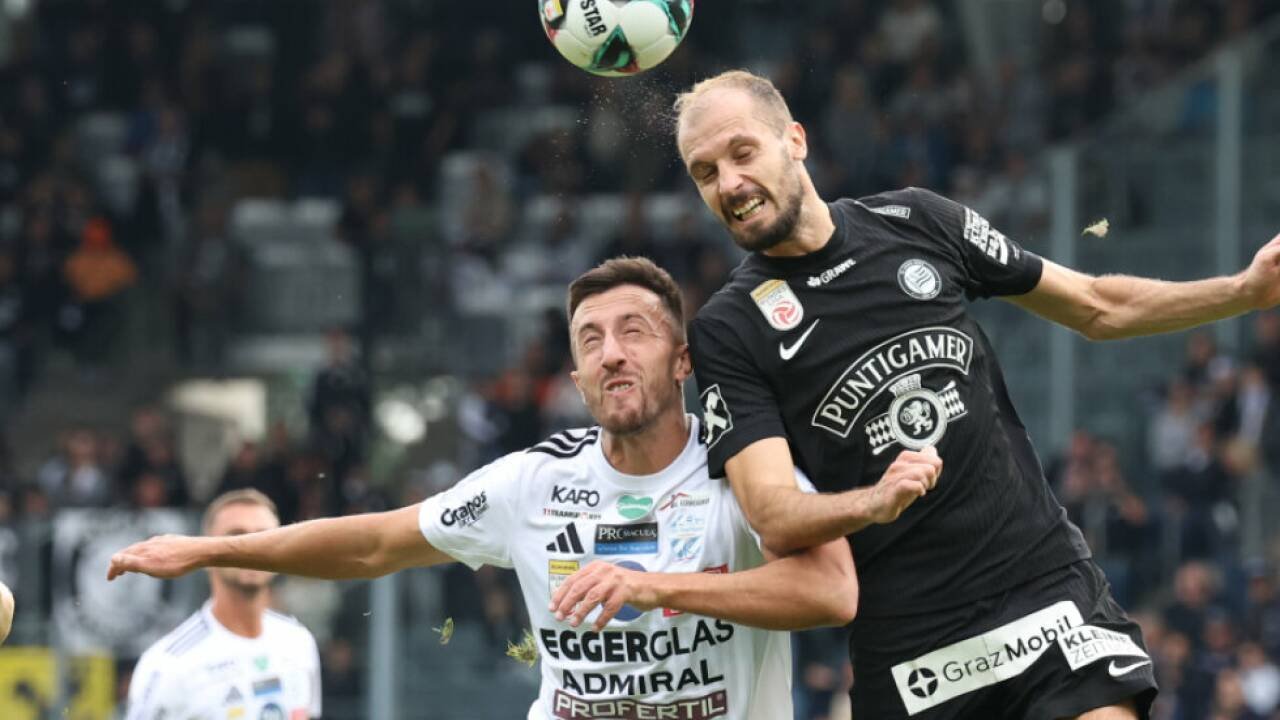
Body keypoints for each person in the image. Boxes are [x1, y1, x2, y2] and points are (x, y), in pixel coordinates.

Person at [674, 69, 1280, 720]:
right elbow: (771, 511)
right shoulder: (727, 328)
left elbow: (1096, 306)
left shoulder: (917, 220)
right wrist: (872, 502)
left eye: (742, 153)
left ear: (795, 140)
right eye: (706, 173)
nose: (728, 183)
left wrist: (1242, 291)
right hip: (913, 646)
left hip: (1042, 592)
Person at [109, 257, 858, 720]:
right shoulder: (532, 483)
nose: (612, 354)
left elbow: (829, 591)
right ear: (575, 379)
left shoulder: (743, 467)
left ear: (683, 360)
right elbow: (374, 544)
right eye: (590, 340)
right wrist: (210, 549)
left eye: (635, 331)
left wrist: (655, 588)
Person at [125, 489, 322, 720]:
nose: (251, 549)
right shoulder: (169, 664)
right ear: (206, 556)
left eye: (263, 537)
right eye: (235, 537)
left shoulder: (298, 641)